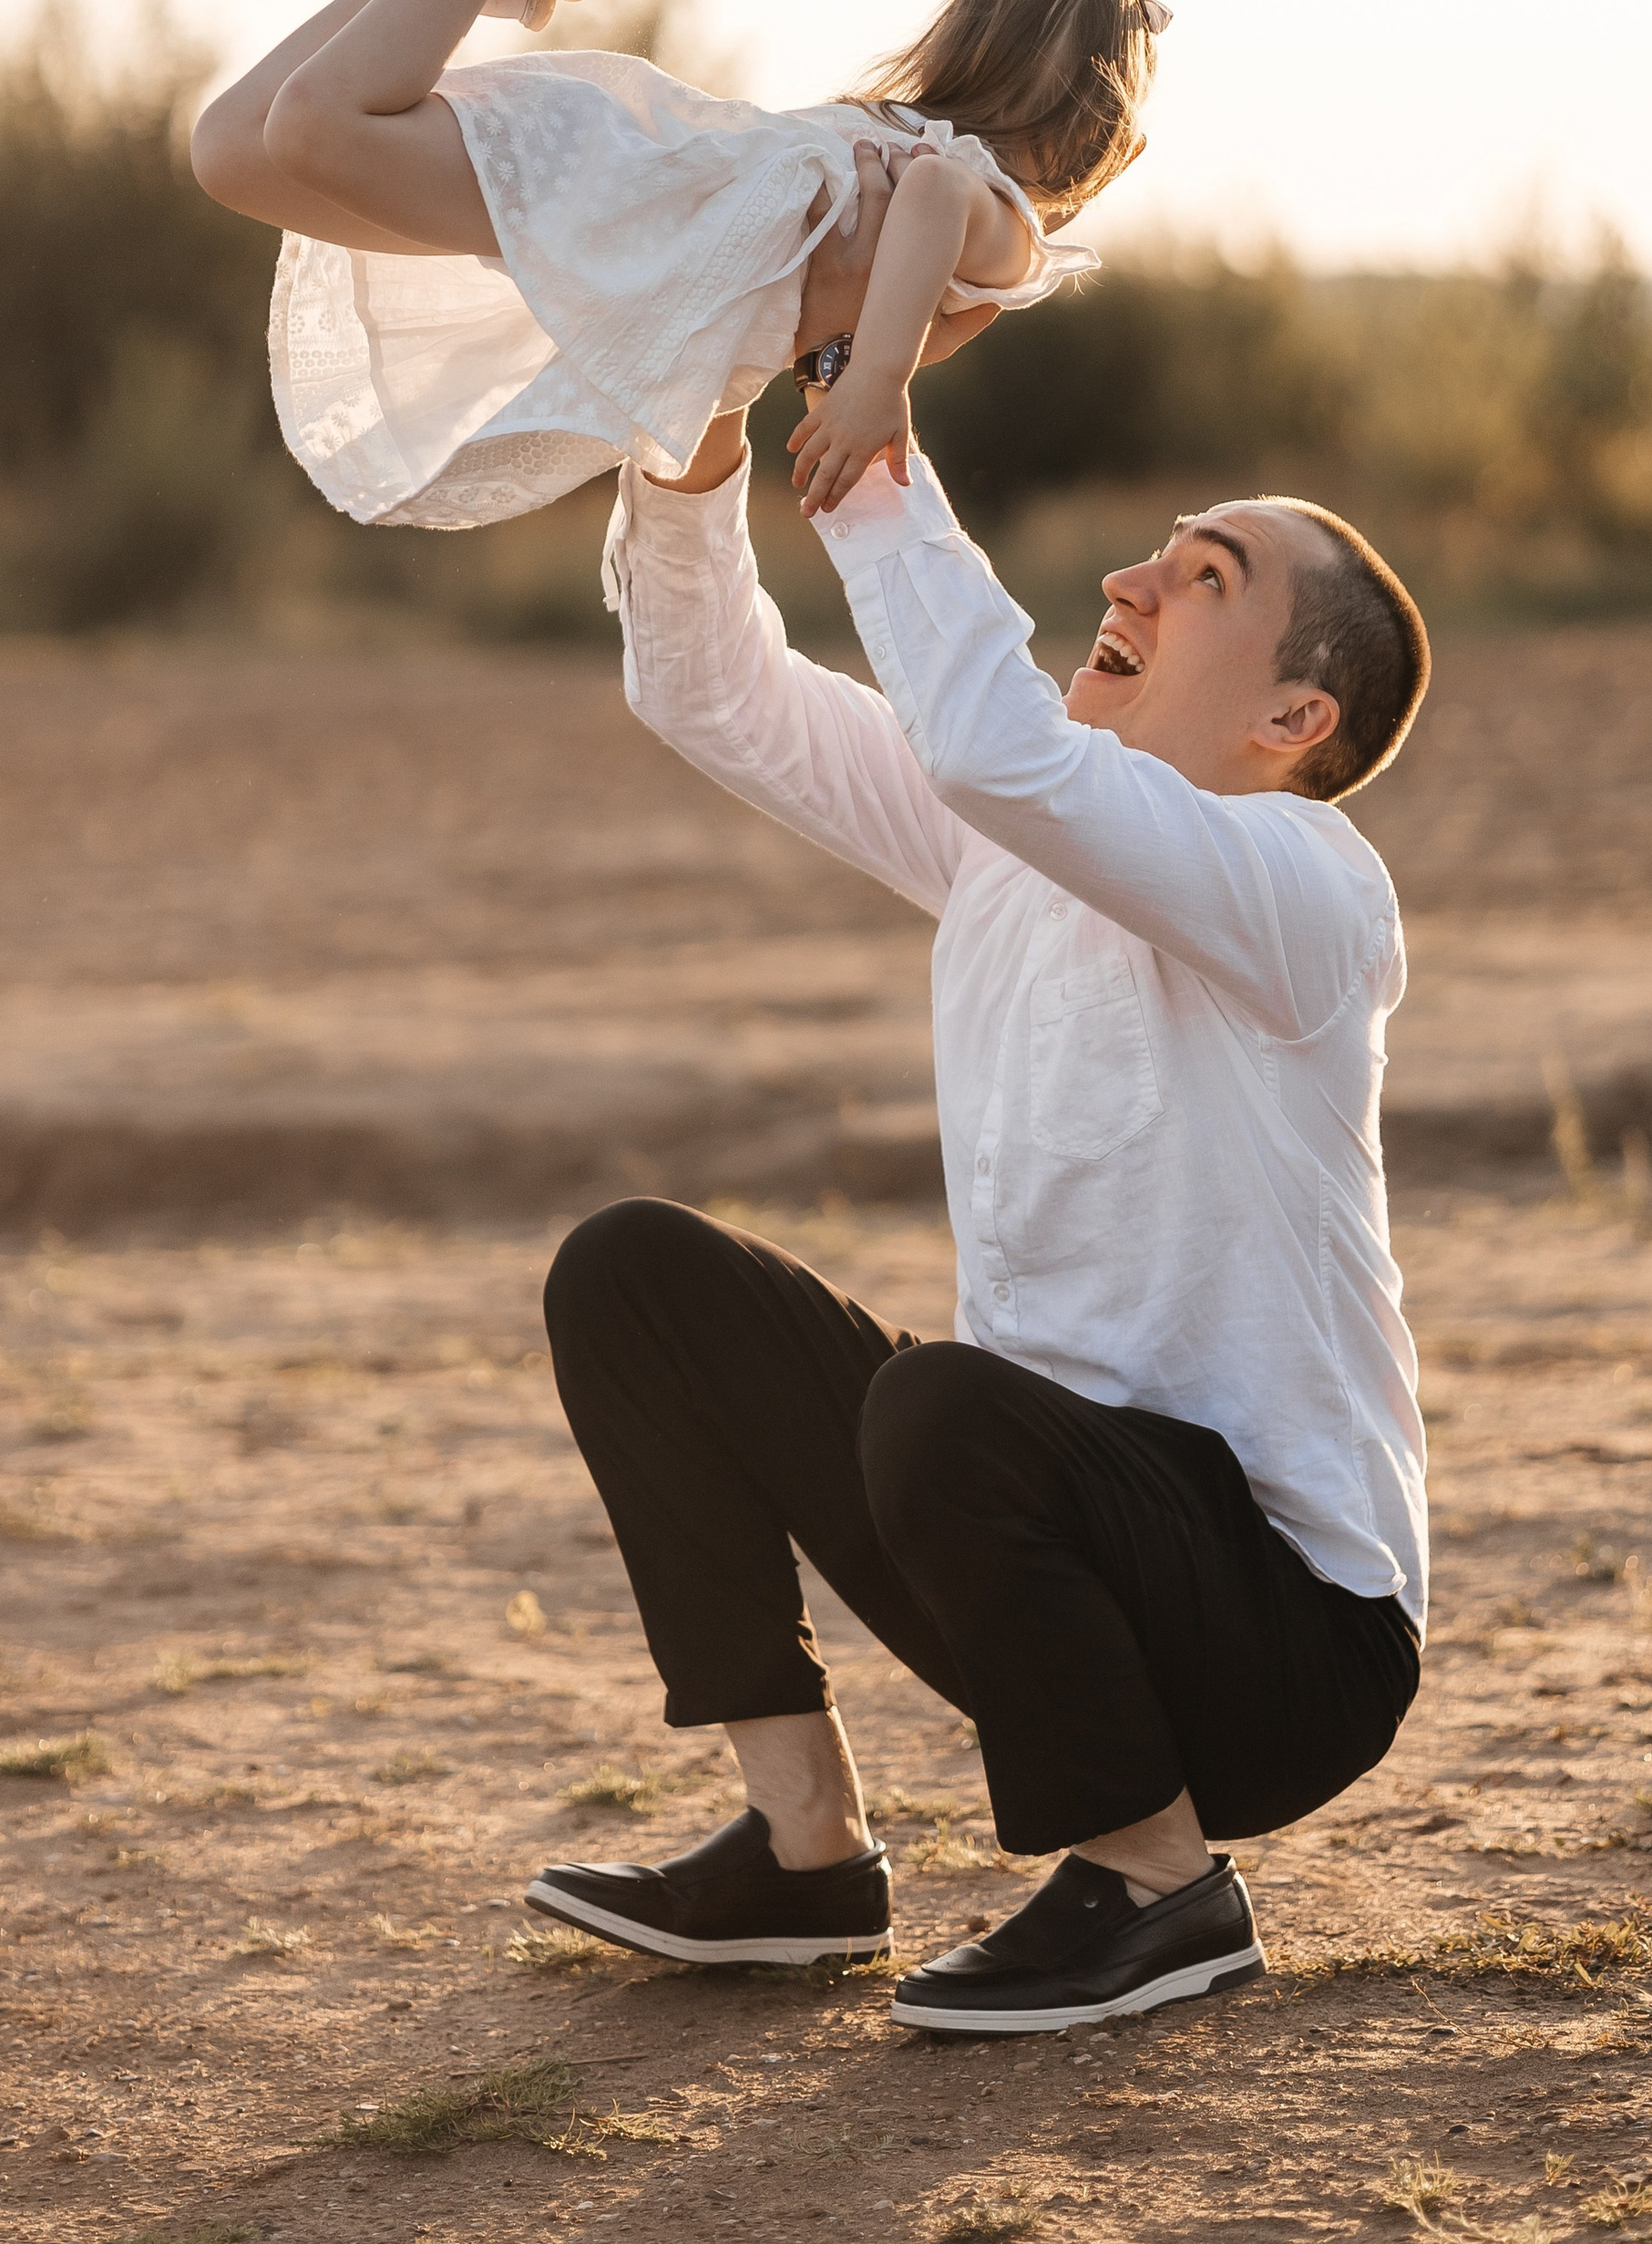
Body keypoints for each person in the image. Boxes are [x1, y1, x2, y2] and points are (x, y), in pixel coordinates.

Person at [519, 264, 1432, 2036]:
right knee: (633, 1277)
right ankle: (803, 1856)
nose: (1129, 579)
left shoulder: (1311, 890)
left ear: (1288, 723)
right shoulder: (1010, 839)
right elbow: (713, 690)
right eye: (1159, 549)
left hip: (1284, 1640)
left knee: (940, 1406)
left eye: (1201, 581)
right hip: (1044, 1576)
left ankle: (1158, 1888)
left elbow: (999, 751)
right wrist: (701, 426)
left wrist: (870, 454)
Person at [189, 0, 1188, 530]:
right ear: (1100, 141)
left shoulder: (902, 154)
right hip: (621, 196)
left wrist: (831, 368)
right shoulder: (1002, 221)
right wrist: (877, 382)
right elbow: (927, 203)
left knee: (232, 151)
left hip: (620, 222)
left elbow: (762, 314)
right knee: (316, 130)